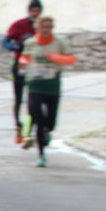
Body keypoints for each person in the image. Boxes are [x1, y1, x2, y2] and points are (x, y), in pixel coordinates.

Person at [18, 15, 76, 167]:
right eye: (43, 27)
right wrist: (22, 65)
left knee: (50, 123)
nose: (46, 30)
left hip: (52, 85)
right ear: (37, 28)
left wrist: (54, 57)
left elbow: (71, 59)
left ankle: (46, 132)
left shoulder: (60, 43)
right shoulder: (30, 43)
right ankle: (41, 154)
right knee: (36, 115)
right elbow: (25, 58)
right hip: (35, 84)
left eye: (49, 27)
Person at [3, 0, 42, 145]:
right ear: (28, 11)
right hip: (21, 64)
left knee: (33, 101)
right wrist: (15, 47)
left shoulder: (42, 26)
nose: (35, 13)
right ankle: (18, 126)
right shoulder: (19, 25)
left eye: (38, 11)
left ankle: (28, 131)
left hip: (37, 66)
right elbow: (5, 41)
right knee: (19, 99)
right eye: (33, 10)